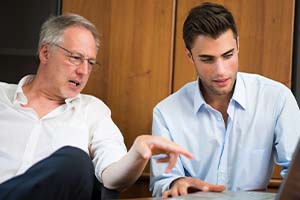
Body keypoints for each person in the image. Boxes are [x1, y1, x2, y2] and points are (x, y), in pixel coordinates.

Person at [0, 13, 193, 200]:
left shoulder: (92, 110)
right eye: (75, 57)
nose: (83, 71)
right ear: (45, 53)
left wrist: (138, 153)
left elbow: (113, 176)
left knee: (74, 162)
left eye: (90, 62)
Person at [150, 2, 300, 198]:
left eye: (228, 55)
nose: (221, 71)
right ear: (190, 56)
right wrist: (176, 183)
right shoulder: (166, 113)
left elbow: (296, 174)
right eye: (207, 59)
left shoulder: (277, 99)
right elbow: (163, 182)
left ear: (237, 45)